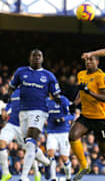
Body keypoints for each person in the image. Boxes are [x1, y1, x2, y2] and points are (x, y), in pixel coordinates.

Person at [69, 55, 105, 181]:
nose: (88, 62)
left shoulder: (101, 76)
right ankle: (84, 165)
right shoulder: (81, 74)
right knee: (73, 136)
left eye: (91, 60)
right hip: (86, 116)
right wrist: (74, 103)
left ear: (97, 62)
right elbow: (81, 92)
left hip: (101, 119)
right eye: (87, 60)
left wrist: (89, 92)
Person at [8, 49, 62, 181]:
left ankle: (24, 177)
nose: (37, 58)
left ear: (42, 59)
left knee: (31, 142)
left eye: (39, 56)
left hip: (39, 111)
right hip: (23, 112)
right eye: (34, 56)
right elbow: (12, 87)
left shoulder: (49, 76)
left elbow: (56, 94)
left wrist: (58, 99)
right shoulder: (21, 72)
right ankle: (48, 163)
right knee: (27, 145)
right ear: (29, 58)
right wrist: (8, 96)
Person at [0, 88, 51, 181]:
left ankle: (45, 164)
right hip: (11, 124)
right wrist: (5, 110)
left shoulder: (33, 92)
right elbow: (10, 104)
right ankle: (6, 173)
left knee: (30, 151)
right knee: (1, 143)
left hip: (24, 127)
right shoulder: (14, 92)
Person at [46, 95, 75, 181]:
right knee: (50, 153)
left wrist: (62, 119)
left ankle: (68, 177)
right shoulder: (46, 101)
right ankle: (53, 177)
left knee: (64, 158)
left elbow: (72, 115)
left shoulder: (64, 100)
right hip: (52, 132)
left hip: (64, 132)